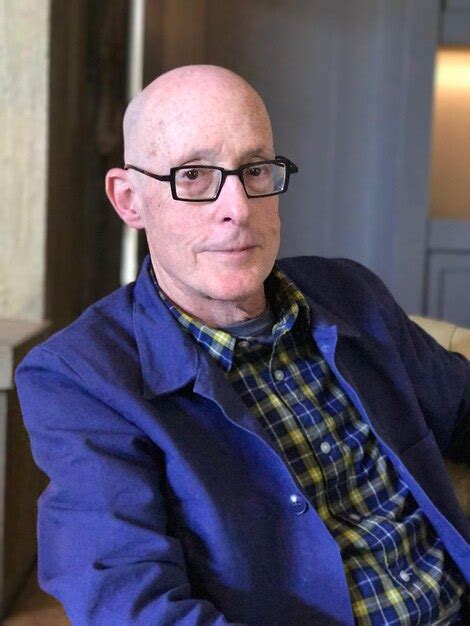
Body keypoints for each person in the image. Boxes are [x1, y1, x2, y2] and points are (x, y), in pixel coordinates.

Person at [15, 65, 469, 626]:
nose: (239, 207)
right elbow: (128, 604)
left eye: (255, 169)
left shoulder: (352, 294)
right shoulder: (80, 376)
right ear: (129, 199)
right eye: (196, 175)